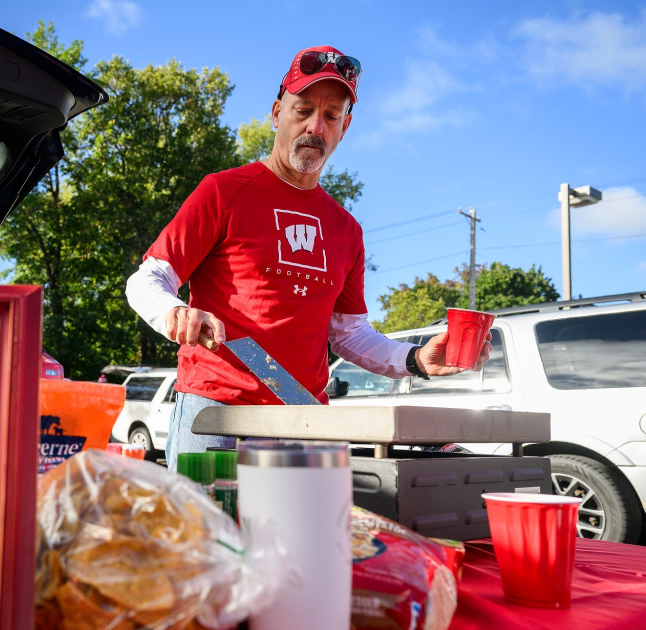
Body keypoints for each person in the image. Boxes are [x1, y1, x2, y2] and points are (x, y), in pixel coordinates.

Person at [126, 46, 491, 469]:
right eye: (303, 109)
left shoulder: (346, 229)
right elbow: (147, 279)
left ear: (345, 127)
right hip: (216, 415)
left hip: (303, 420)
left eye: (331, 116)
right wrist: (174, 311)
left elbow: (349, 334)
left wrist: (414, 358)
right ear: (277, 112)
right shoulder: (223, 191)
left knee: (300, 537)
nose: (315, 126)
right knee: (211, 536)